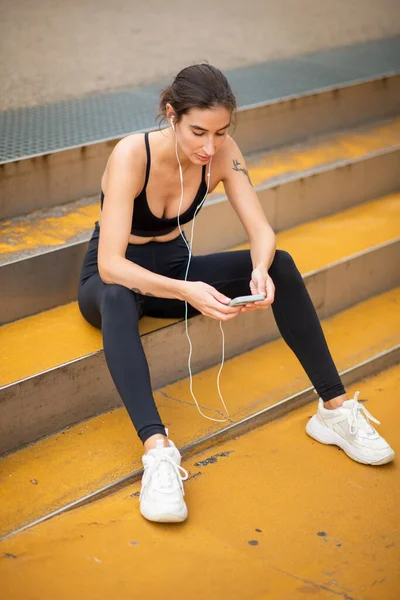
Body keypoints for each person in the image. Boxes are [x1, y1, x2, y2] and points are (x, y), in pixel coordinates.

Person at [78, 64, 394, 524]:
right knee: (119, 298)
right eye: (198, 132)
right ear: (171, 115)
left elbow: (261, 231)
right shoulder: (132, 155)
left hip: (174, 269)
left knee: (282, 264)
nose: (209, 147)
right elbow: (111, 264)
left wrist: (261, 269)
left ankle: (334, 410)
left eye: (221, 132)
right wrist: (187, 290)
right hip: (110, 281)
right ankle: (158, 453)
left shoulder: (223, 153)